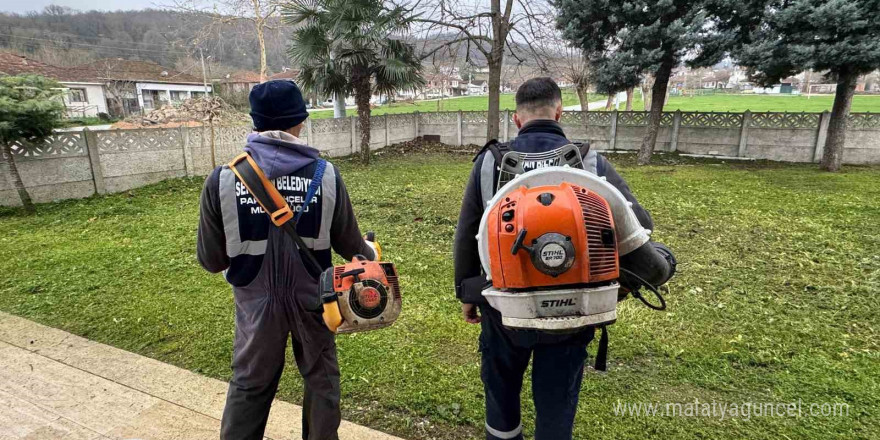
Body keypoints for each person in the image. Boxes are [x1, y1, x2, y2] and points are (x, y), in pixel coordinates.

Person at [453, 77, 671, 440]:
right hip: (573, 311)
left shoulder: (489, 163)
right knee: (557, 400)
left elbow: (467, 234)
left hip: (505, 310)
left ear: (517, 119)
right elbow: (640, 227)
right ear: (559, 112)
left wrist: (467, 294)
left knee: (501, 391)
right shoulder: (590, 162)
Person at [197, 80, 378, 440]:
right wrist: (371, 252)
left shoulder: (222, 179)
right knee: (322, 383)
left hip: (255, 306)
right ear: (300, 121)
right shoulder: (326, 175)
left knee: (249, 385)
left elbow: (211, 260)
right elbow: (352, 247)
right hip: (315, 301)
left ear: (255, 123)